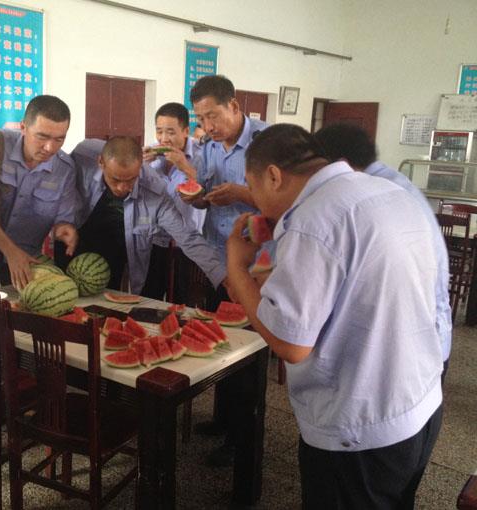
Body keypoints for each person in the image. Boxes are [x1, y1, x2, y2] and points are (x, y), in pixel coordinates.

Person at [226, 124, 443, 509]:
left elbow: (291, 344)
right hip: (418, 407)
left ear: (274, 176)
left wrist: (237, 268)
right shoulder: (387, 191)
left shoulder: (313, 219)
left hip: (360, 427)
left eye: (251, 185)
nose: (254, 199)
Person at [314, 122, 452, 382]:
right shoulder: (389, 183)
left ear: (339, 163)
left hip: (409, 342)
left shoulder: (368, 193)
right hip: (422, 335)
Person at [186, 75, 269, 459]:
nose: (208, 126)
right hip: (219, 260)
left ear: (234, 106)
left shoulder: (267, 143)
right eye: (201, 119)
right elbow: (203, 193)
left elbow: (286, 200)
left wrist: (241, 194)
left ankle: (241, 439)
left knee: (247, 350)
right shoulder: (208, 147)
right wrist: (197, 199)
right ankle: (222, 419)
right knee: (220, 340)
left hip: (256, 263)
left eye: (214, 116)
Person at [67, 136, 227, 296]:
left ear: (140, 167)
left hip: (115, 251)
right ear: (101, 163)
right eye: (115, 179)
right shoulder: (82, 155)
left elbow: (187, 237)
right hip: (74, 239)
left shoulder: (155, 190)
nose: (122, 188)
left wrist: (223, 278)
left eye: (131, 180)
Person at [0, 94, 78, 289]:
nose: (49, 147)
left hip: (28, 264)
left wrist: (62, 229)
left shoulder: (65, 169)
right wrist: (11, 251)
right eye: (42, 137)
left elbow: (62, 220)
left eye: (59, 139)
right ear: (23, 127)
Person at [141, 102, 206, 302]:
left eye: (170, 132)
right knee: (148, 298)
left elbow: (210, 190)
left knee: (182, 300)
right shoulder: (149, 154)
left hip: (185, 244)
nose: (163, 138)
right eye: (159, 131)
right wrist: (138, 166)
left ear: (186, 131)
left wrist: (184, 165)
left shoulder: (201, 155)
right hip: (153, 240)